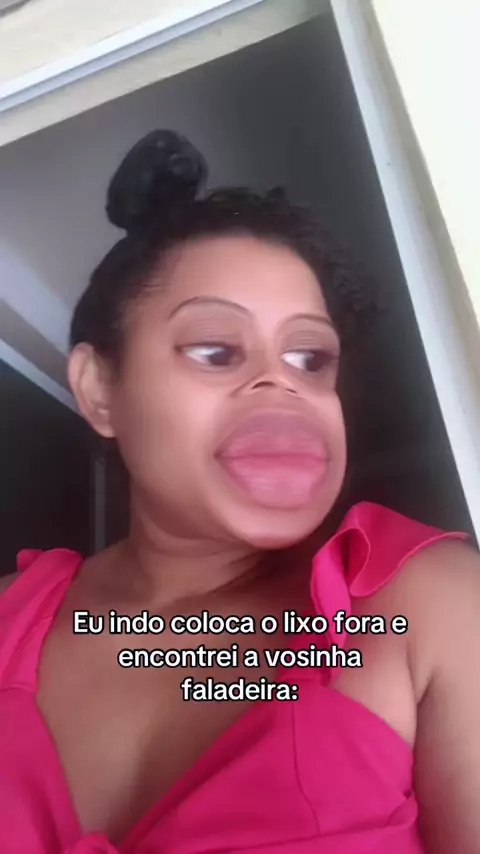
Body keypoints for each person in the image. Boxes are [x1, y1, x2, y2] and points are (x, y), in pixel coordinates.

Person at [1, 130, 479, 854]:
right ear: (99, 390)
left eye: (310, 358)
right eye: (216, 350)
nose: (280, 385)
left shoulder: (430, 605)